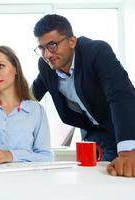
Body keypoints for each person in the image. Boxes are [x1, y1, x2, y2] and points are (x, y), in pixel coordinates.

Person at [32, 14, 135, 177]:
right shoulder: (46, 67)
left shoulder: (96, 51)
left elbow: (120, 96)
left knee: (126, 176)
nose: (47, 55)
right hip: (94, 134)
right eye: (42, 48)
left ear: (72, 41)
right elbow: (31, 96)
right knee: (97, 178)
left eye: (52, 45)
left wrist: (128, 151)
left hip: (125, 125)